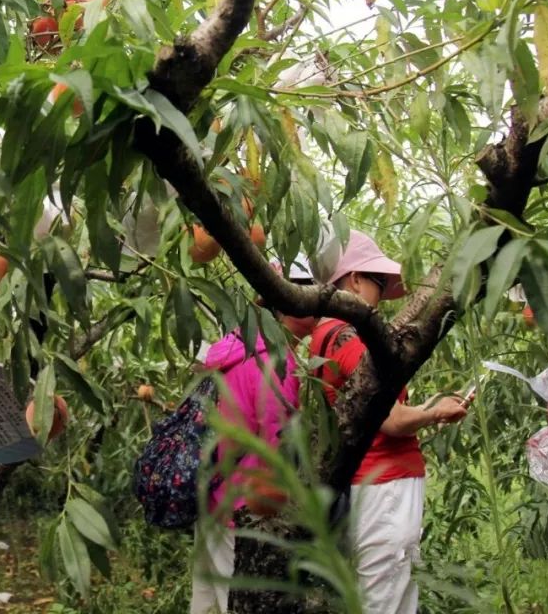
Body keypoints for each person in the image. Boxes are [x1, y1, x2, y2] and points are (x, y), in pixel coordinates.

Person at [309, 230, 468, 614]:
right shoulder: (348, 335)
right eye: (378, 283)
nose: (381, 296)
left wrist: (425, 408)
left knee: (388, 590)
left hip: (373, 482)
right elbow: (393, 422)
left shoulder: (326, 335)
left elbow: (376, 412)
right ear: (355, 280)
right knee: (385, 596)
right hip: (385, 483)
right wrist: (435, 413)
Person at [190, 256, 317, 614]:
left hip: (211, 501)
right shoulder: (277, 363)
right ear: (289, 300)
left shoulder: (233, 347)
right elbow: (277, 449)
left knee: (205, 604)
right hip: (243, 514)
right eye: (313, 293)